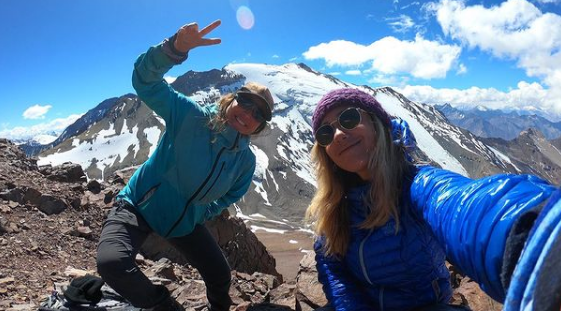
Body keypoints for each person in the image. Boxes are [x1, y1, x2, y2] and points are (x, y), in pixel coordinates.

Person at [306, 88, 561, 311]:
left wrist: (535, 234)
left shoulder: (416, 184)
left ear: (377, 124)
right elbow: (332, 265)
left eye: (349, 118)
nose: (338, 134)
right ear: (325, 152)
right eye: (326, 133)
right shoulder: (336, 205)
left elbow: (464, 206)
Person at [96, 20, 275, 311]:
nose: (248, 113)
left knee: (220, 275)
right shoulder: (189, 116)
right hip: (138, 207)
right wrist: (173, 49)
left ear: (259, 126)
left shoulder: (245, 161)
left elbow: (231, 195)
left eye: (258, 114)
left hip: (184, 222)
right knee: (112, 263)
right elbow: (146, 82)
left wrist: (203, 211)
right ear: (231, 98)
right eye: (246, 102)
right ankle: (166, 307)